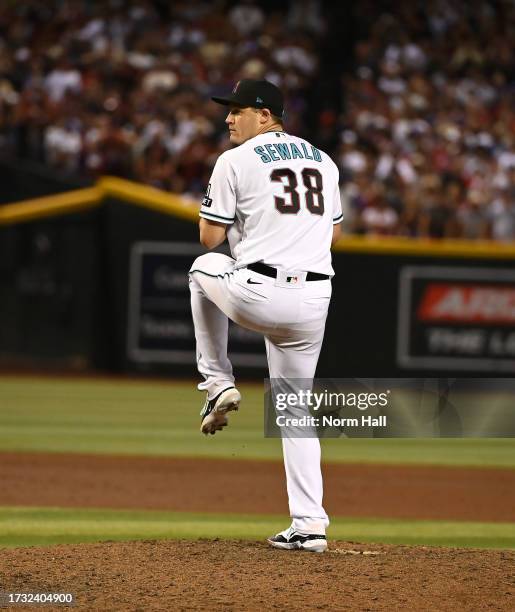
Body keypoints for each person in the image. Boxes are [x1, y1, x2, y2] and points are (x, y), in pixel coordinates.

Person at [189, 79, 342, 552]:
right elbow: (331, 239)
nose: (228, 118)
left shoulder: (234, 160)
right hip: (314, 302)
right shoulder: (326, 161)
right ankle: (310, 525)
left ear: (266, 114)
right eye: (228, 110)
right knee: (296, 411)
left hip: (257, 291)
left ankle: (217, 382)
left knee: (200, 269)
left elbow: (209, 238)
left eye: (237, 110)